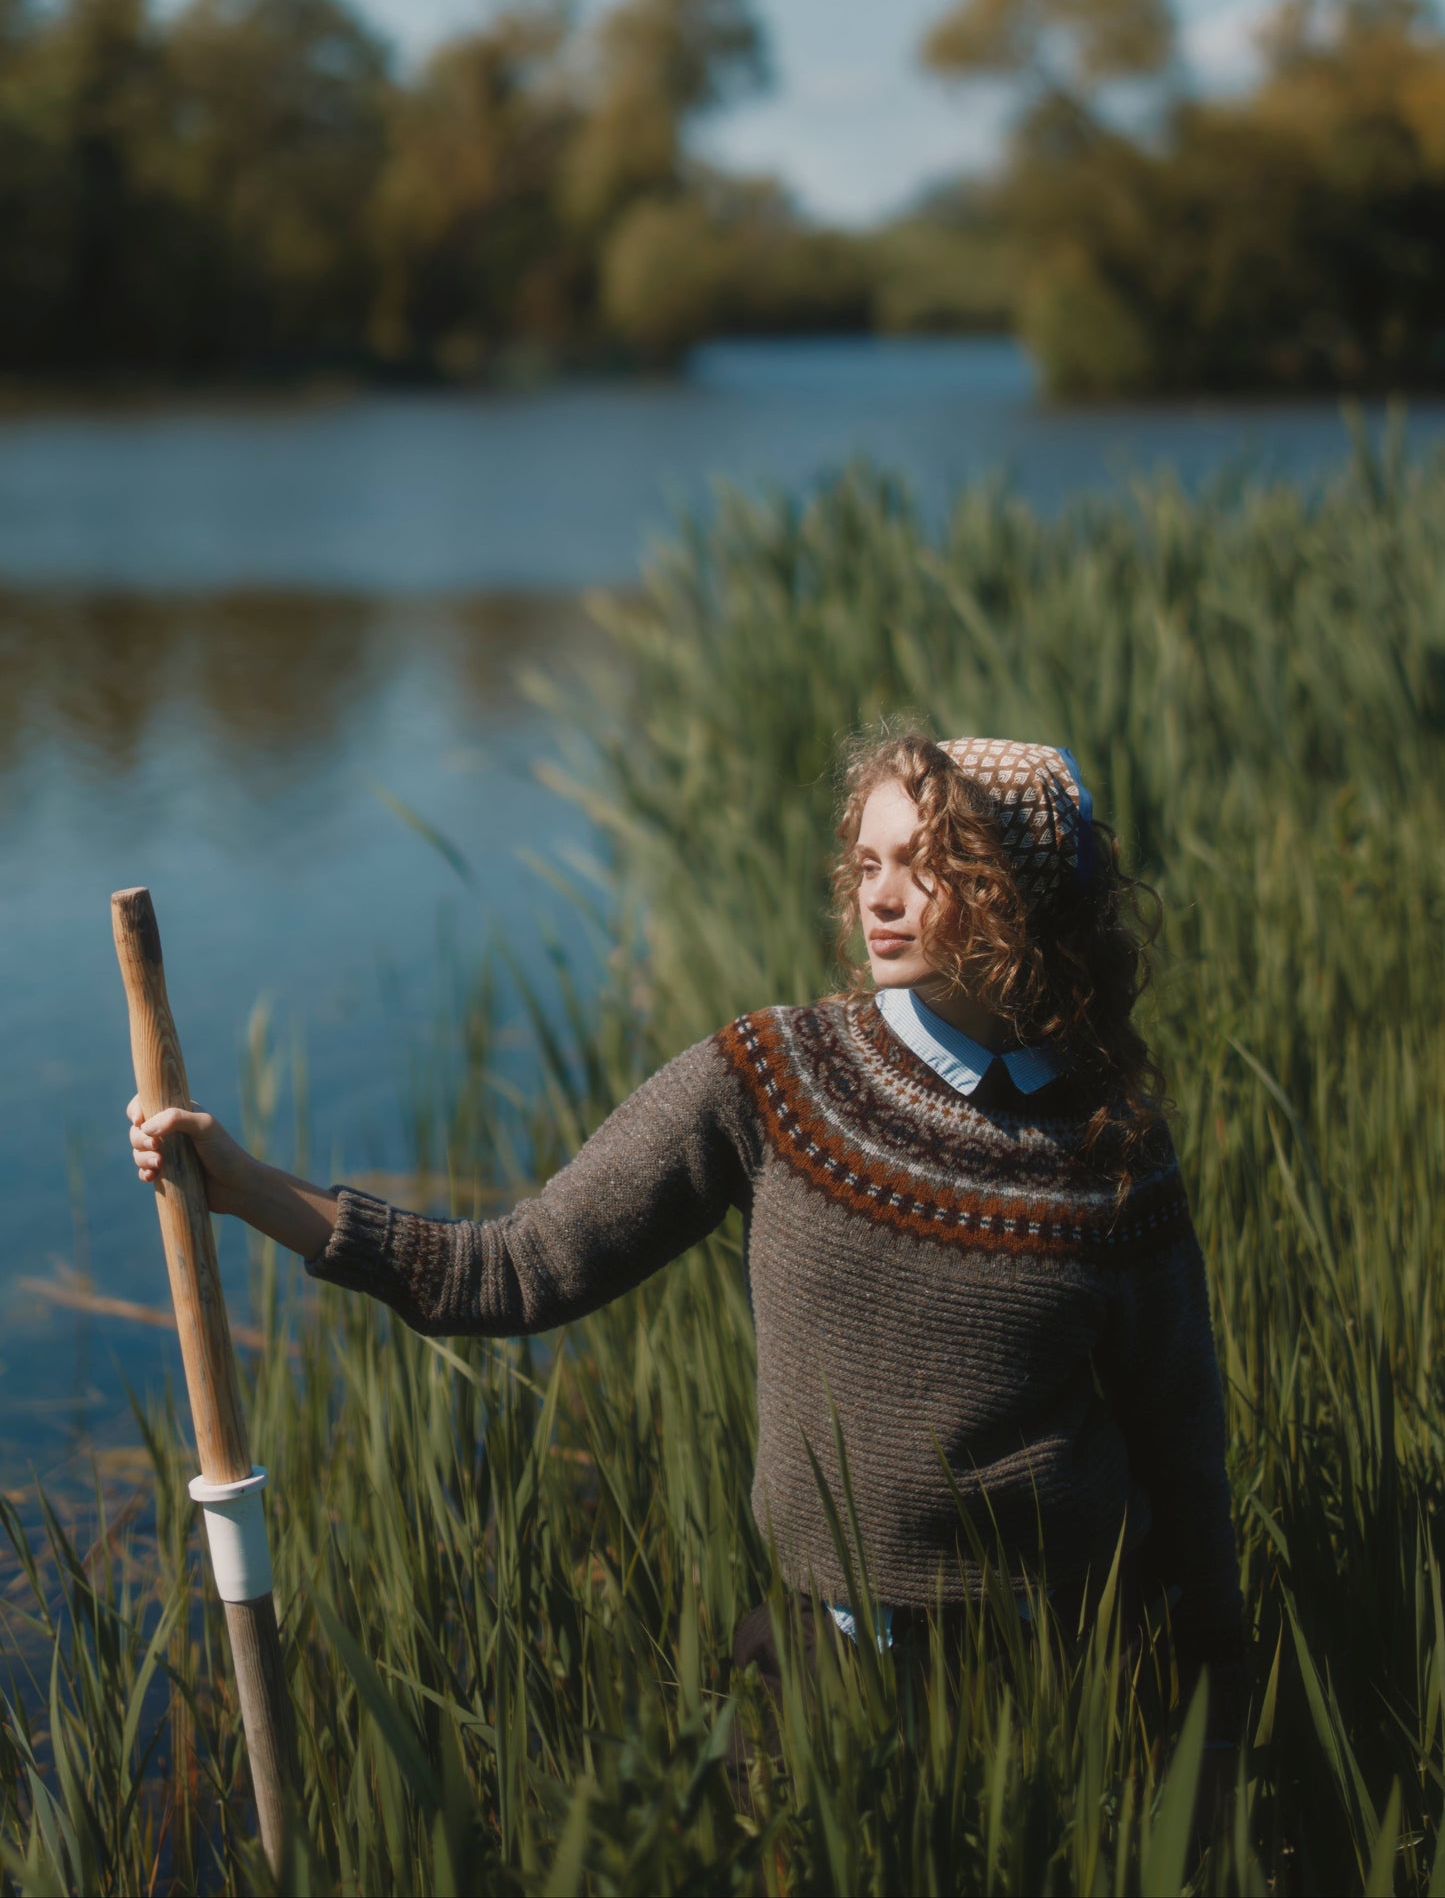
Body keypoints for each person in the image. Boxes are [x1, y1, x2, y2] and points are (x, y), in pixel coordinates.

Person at [127, 731, 1243, 1730]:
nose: (881, 897)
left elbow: (1177, 1434)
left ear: (1017, 894)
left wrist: (1217, 1678)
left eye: (929, 866)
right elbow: (514, 1269)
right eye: (867, 863)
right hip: (830, 1653)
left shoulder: (1109, 1142)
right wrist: (247, 1186)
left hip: (1061, 1665)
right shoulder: (774, 1077)